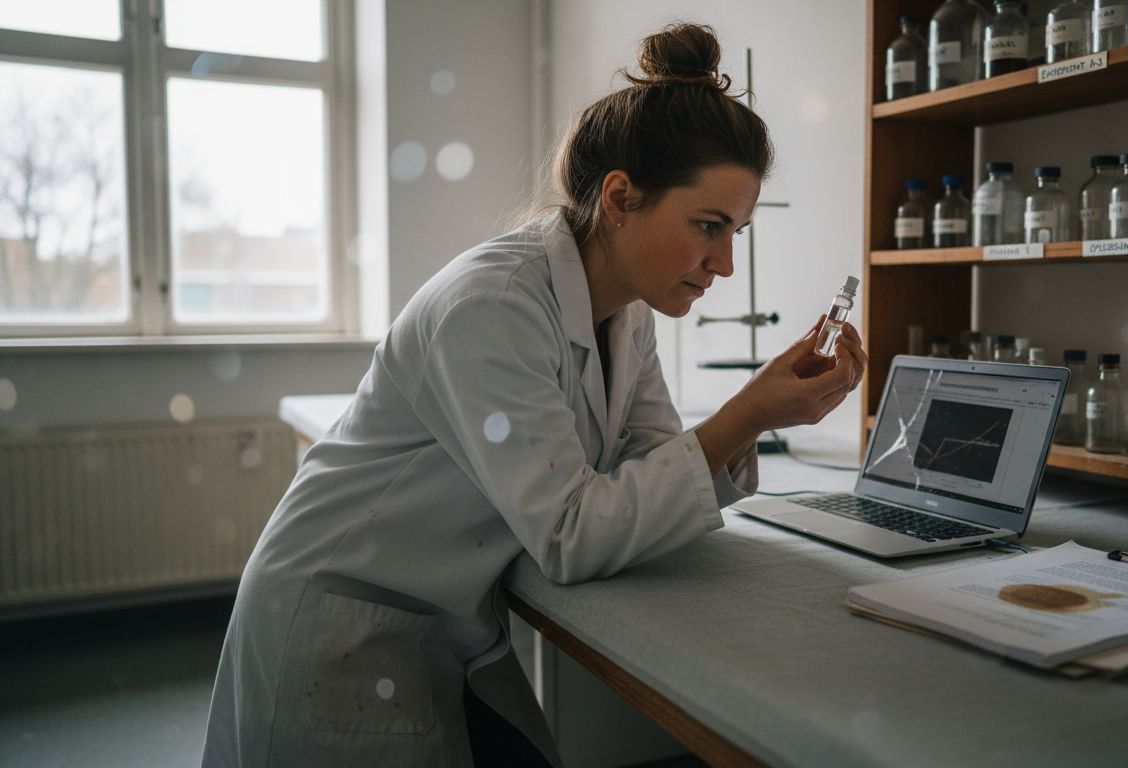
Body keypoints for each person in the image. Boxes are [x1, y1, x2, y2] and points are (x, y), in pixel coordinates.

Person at [201, 21, 866, 767]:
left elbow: (645, 465)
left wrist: (759, 416)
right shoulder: (493, 306)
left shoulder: (626, 310)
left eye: (737, 231)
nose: (725, 264)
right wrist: (748, 411)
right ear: (620, 196)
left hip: (441, 621)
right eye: (708, 226)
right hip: (346, 624)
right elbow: (572, 536)